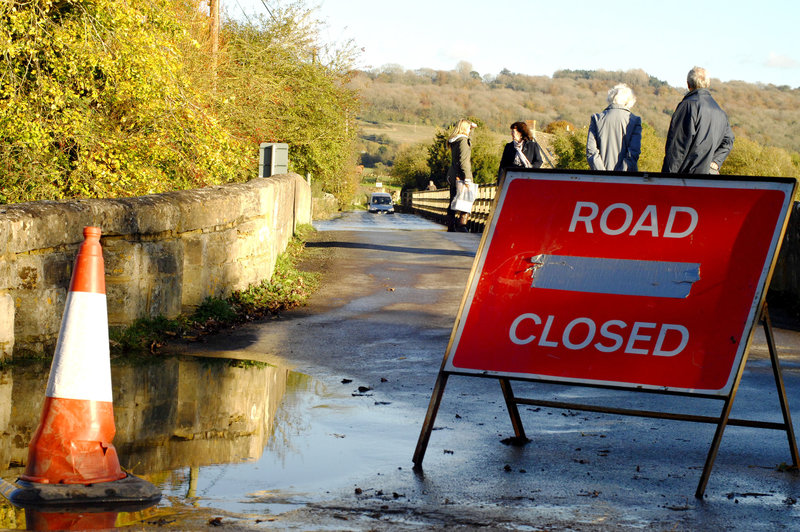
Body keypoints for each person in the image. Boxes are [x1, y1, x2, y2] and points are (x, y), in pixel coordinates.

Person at [662, 66, 734, 174]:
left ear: (688, 84)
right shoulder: (720, 111)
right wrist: (716, 161)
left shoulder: (687, 106)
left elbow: (677, 147)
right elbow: (728, 140)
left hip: (688, 177)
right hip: (710, 175)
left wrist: (666, 180)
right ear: (708, 84)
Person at [586, 84, 642, 171]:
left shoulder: (596, 119)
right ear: (629, 101)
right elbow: (633, 153)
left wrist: (603, 175)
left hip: (599, 179)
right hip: (628, 179)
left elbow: (591, 151)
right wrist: (619, 175)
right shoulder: (635, 121)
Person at [446, 119, 476, 232]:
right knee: (468, 199)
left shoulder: (455, 140)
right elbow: (464, 161)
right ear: (464, 129)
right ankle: (462, 225)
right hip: (461, 175)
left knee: (454, 200)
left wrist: (471, 128)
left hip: (453, 174)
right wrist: (467, 177)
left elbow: (467, 139)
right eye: (468, 128)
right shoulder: (463, 141)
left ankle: (451, 226)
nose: (470, 130)